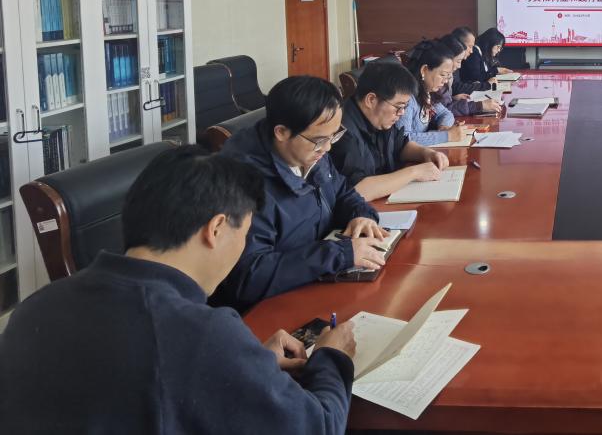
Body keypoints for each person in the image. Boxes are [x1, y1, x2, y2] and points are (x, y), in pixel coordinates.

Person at [0, 146, 358, 435]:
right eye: (245, 234)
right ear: (216, 229)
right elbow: (318, 426)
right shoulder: (200, 334)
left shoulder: (32, 309)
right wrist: (331, 357)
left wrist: (245, 365)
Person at [216, 75, 389, 310]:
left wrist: (360, 215)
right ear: (281, 132)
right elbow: (248, 277)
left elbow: (343, 192)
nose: (328, 147)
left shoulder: (310, 153)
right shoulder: (243, 185)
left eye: (334, 136)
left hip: (318, 282)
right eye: (320, 140)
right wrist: (337, 255)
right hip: (271, 309)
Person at [331, 60, 452, 201]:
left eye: (405, 107)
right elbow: (357, 190)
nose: (401, 113)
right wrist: (414, 172)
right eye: (398, 107)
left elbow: (400, 145)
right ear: (371, 100)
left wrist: (426, 153)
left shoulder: (379, 118)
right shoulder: (343, 131)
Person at [398, 39, 464, 146]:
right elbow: (403, 139)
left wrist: (444, 127)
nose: (445, 81)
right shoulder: (407, 97)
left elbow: (446, 113)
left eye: (447, 76)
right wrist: (447, 136)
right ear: (424, 70)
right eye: (443, 75)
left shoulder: (428, 92)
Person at [436, 34, 503, 117]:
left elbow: (443, 107)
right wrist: (478, 105)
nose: (471, 51)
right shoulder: (438, 82)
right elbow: (443, 111)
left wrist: (452, 99)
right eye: (470, 46)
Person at [450, 26, 488, 94]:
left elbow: (459, 82)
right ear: (459, 44)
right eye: (470, 46)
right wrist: (484, 85)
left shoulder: (459, 60)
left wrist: (473, 84)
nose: (471, 51)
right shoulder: (450, 60)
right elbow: (456, 88)